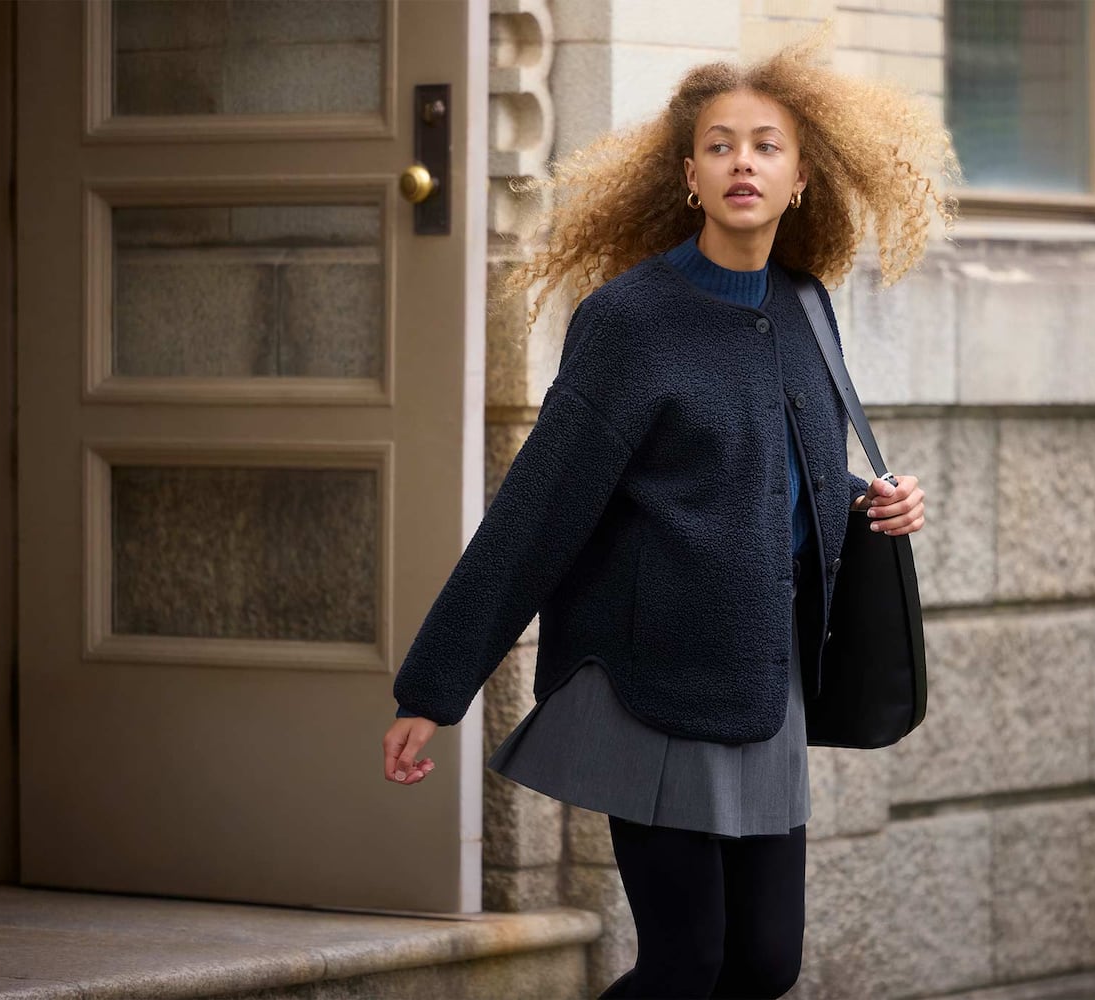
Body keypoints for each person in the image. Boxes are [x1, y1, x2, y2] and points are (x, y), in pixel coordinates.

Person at [381, 25, 955, 1000]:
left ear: (801, 179)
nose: (743, 163)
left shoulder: (806, 306)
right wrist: (434, 688)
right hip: (654, 680)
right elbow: (538, 511)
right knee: (686, 965)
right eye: (719, 146)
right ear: (689, 176)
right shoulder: (630, 321)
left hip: (764, 679)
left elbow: (779, 469)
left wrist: (873, 502)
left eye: (766, 146)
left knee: (764, 964)